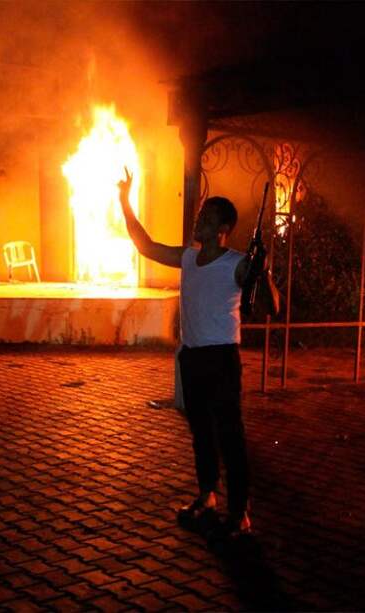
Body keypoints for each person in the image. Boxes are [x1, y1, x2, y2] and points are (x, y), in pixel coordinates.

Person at [117, 167, 276, 539]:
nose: (197, 222)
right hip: (191, 356)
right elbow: (146, 245)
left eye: (205, 218)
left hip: (221, 359)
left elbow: (273, 308)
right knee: (201, 432)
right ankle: (207, 496)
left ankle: (240, 512)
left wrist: (262, 272)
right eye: (199, 216)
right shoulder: (189, 258)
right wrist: (125, 201)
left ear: (222, 228)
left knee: (230, 436)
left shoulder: (236, 264)